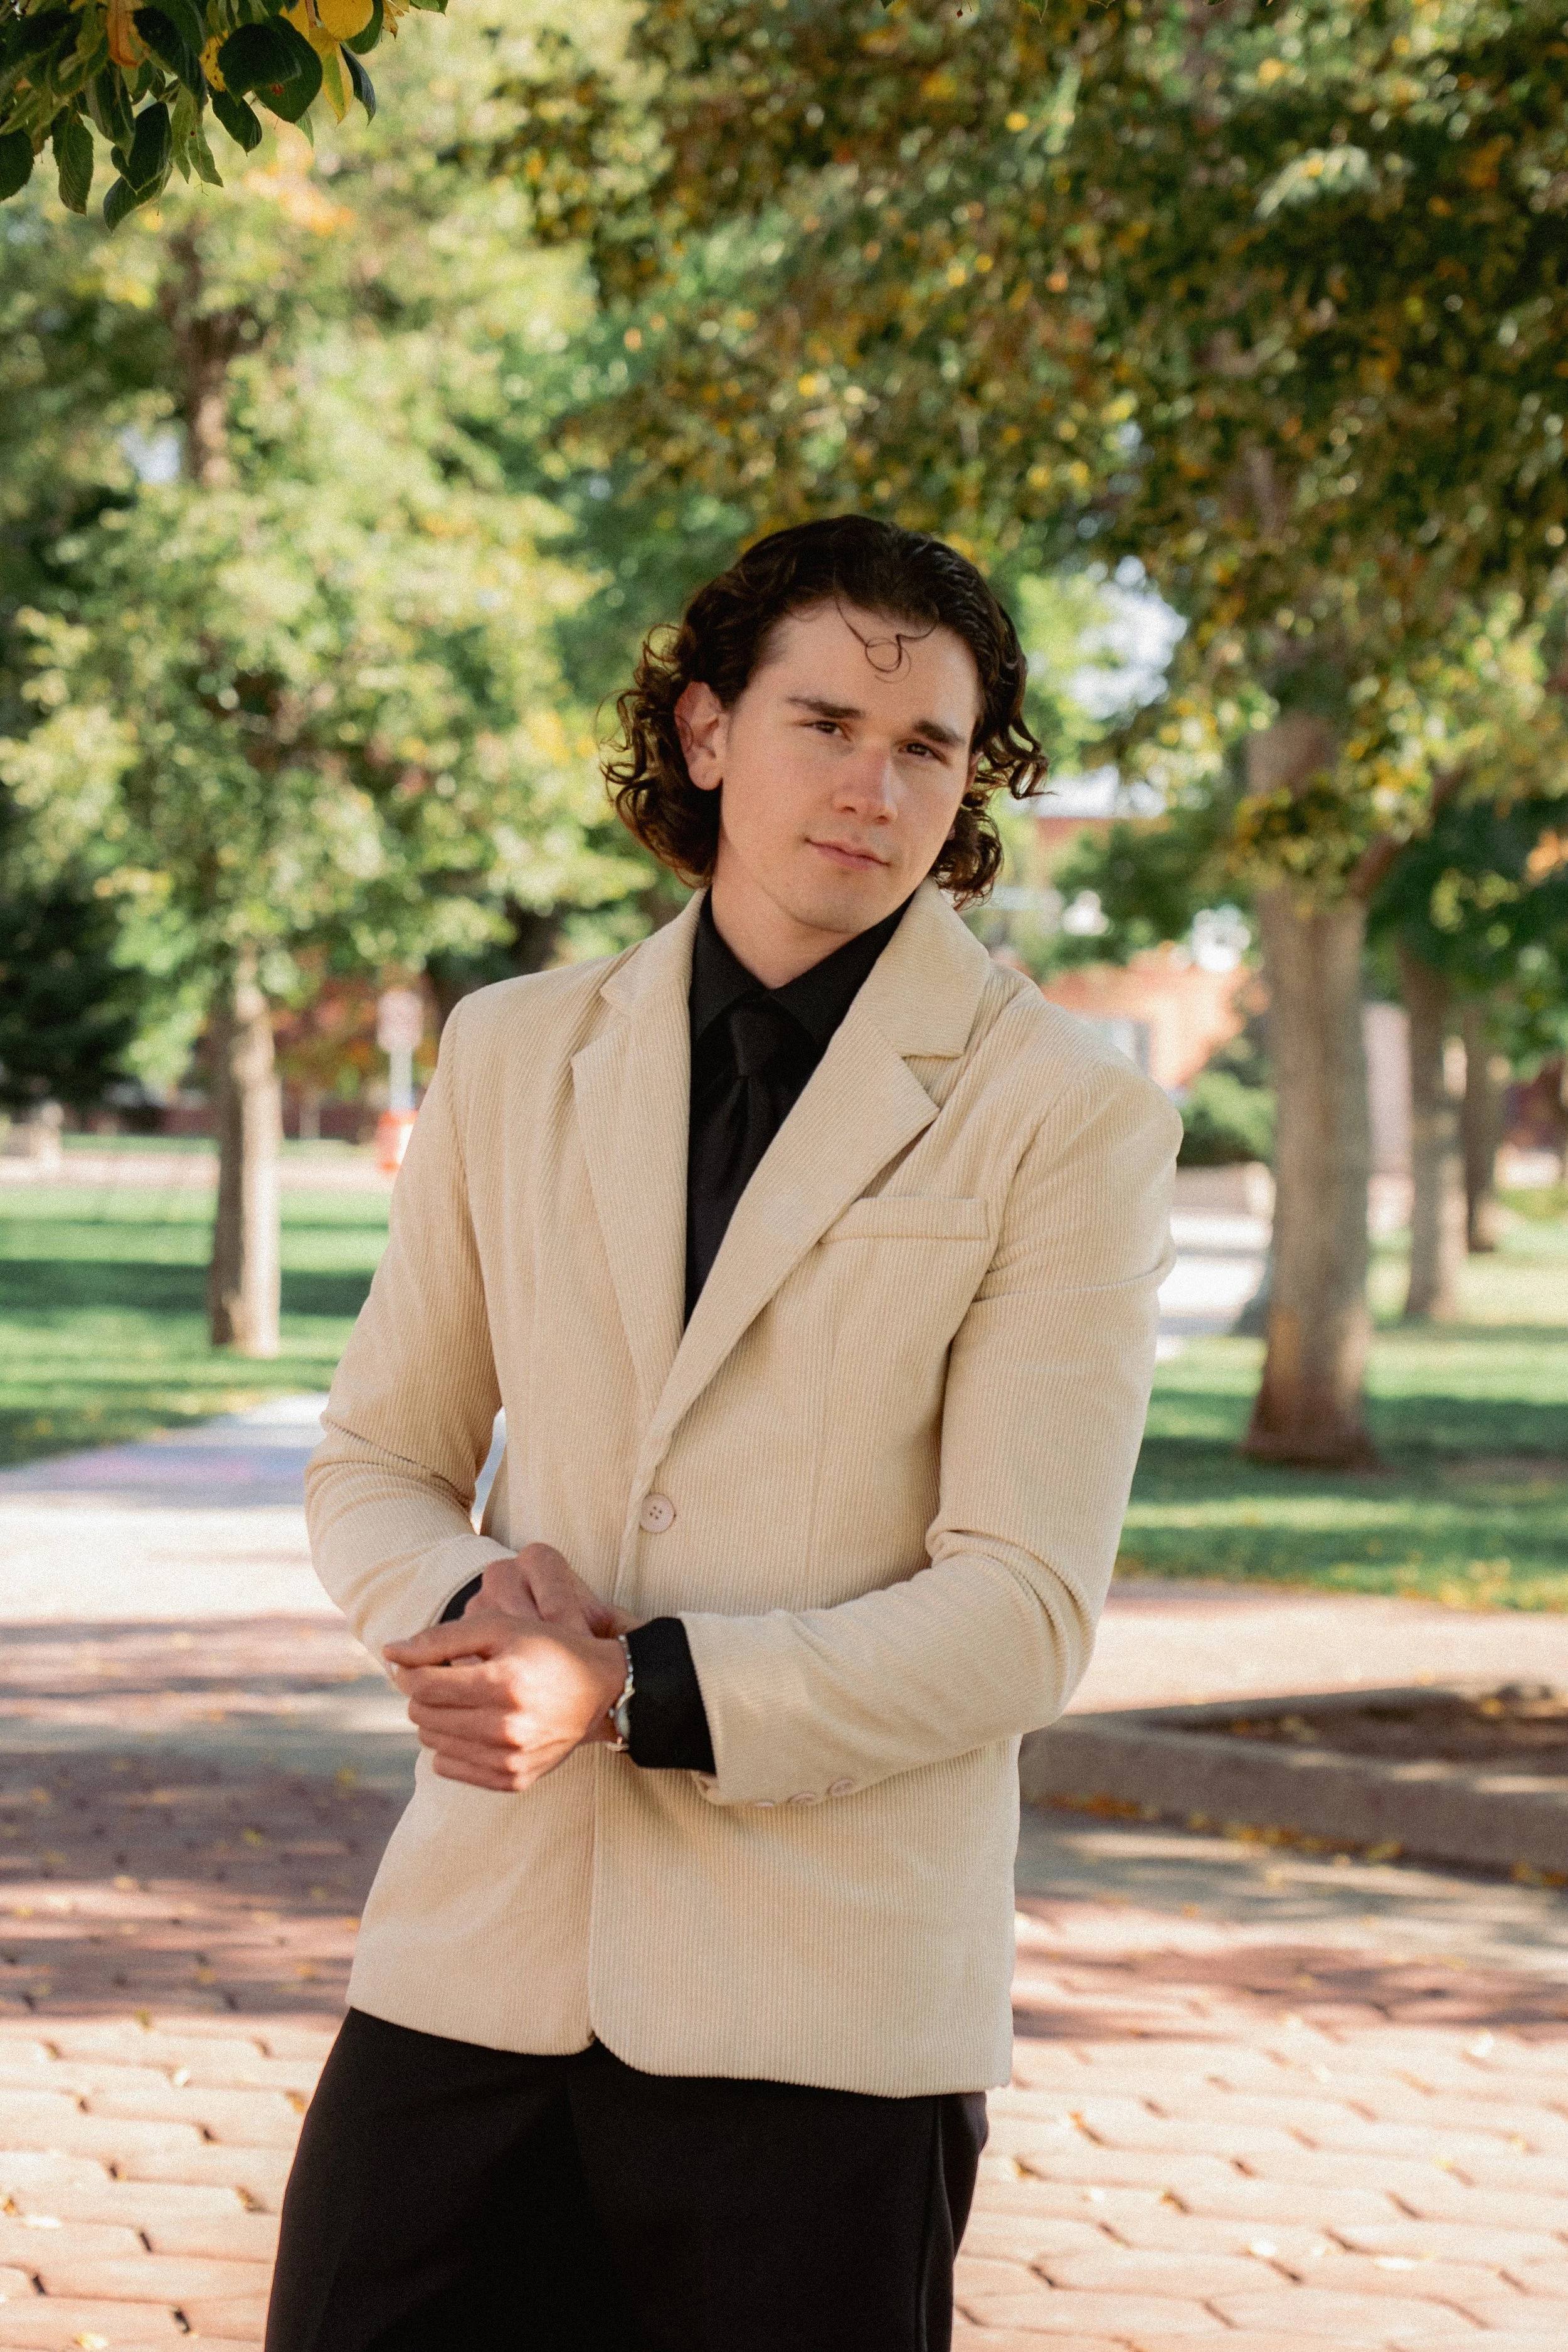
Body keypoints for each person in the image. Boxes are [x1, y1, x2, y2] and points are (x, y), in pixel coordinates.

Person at [265, 514, 1180, 2352]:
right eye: (823, 721)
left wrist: (621, 1692)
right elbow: (375, 1458)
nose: (872, 782)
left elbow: (1021, 1610)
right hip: (475, 1970)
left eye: (926, 746)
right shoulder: (513, 1051)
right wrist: (471, 1601)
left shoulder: (1060, 1111)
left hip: (825, 2018)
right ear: (703, 732)